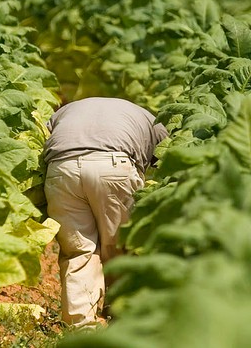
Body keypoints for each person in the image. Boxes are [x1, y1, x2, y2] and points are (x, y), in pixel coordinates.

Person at [41, 97, 169, 328]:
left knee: (79, 251)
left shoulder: (65, 111)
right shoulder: (152, 120)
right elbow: (168, 164)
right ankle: (122, 318)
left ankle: (81, 328)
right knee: (122, 246)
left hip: (61, 168)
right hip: (113, 166)